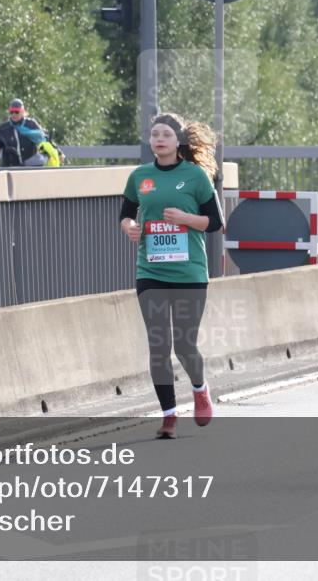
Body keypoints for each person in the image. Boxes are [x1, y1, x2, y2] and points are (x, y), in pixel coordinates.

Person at [119, 113, 224, 439]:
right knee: (159, 345)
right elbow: (125, 214)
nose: (158, 139)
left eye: (165, 134)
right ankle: (168, 417)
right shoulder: (140, 177)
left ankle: (199, 388)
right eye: (154, 134)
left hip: (190, 272)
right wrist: (130, 228)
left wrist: (185, 218)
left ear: (177, 141)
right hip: (150, 271)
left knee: (184, 344)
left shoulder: (195, 177)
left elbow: (215, 222)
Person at [0, 99, 53, 167]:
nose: (14, 114)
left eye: (17, 112)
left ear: (23, 112)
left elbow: (44, 140)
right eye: (11, 112)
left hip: (31, 166)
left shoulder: (31, 124)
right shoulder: (4, 127)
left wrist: (59, 153)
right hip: (11, 167)